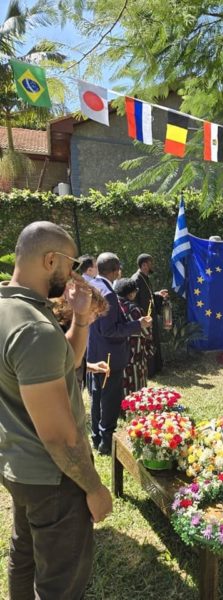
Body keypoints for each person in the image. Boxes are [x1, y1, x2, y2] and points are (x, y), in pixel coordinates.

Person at [0, 221, 112, 600]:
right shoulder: (34, 329)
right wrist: (94, 488)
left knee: (25, 556)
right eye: (71, 263)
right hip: (55, 478)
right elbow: (59, 436)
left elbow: (64, 362)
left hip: (19, 466)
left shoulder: (12, 309)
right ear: (50, 260)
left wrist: (81, 319)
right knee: (59, 585)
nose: (75, 273)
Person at [88, 252, 151, 455]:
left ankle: (97, 437)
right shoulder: (107, 294)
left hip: (95, 352)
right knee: (109, 399)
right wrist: (138, 324)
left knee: (97, 397)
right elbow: (110, 330)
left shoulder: (92, 285)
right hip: (109, 356)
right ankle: (106, 442)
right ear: (116, 271)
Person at [131, 253, 168, 376]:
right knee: (147, 343)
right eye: (150, 263)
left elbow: (148, 295)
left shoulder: (145, 278)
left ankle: (156, 367)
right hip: (143, 319)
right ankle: (149, 370)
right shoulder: (136, 279)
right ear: (144, 265)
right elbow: (134, 300)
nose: (152, 265)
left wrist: (157, 294)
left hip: (150, 317)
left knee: (154, 341)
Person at [115, 277, 151, 396]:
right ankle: (135, 404)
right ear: (130, 294)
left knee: (122, 384)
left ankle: (123, 404)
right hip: (135, 355)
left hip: (119, 354)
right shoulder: (134, 309)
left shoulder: (113, 306)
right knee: (137, 386)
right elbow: (145, 332)